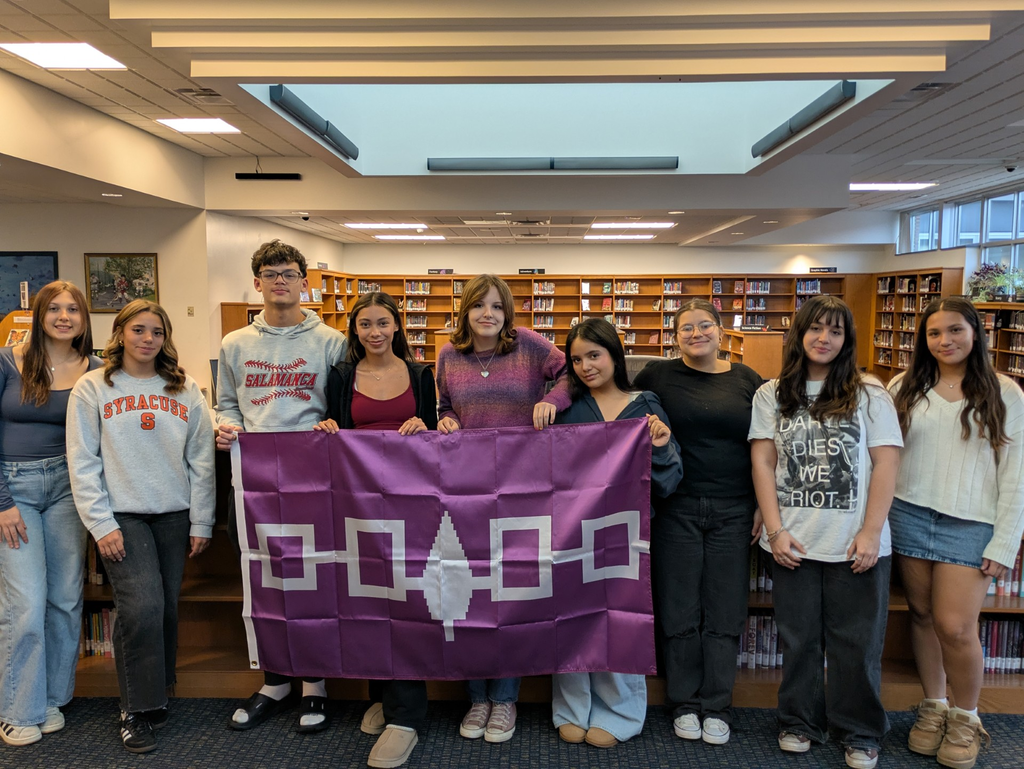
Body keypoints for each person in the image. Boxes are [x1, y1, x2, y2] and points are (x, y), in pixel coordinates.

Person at [749, 295, 902, 769]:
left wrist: (872, 532)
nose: (824, 339)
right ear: (798, 335)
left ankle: (859, 731)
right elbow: (762, 460)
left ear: (846, 339)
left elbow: (886, 463)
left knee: (856, 644)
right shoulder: (771, 394)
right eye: (815, 329)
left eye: (835, 331)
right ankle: (799, 721)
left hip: (855, 541)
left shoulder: (870, 393)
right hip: (793, 540)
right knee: (799, 642)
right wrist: (774, 532)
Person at [67, 300, 214, 754]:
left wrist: (202, 519)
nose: (147, 339)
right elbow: (83, 460)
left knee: (167, 606)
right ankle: (134, 710)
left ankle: (157, 690)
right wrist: (100, 523)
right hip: (121, 515)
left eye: (156, 332)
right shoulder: (92, 388)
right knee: (141, 607)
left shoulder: (186, 389)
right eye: (138, 330)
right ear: (120, 334)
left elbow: (202, 460)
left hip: (173, 513)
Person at [216, 240, 347, 734]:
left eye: (289, 273)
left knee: (312, 573)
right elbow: (227, 403)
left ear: (304, 281)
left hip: (312, 476)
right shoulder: (234, 344)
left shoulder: (331, 341)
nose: (279, 281)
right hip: (252, 478)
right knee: (262, 577)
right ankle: (275, 679)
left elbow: (339, 407)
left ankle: (314, 683)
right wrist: (225, 425)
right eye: (270, 273)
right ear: (256, 283)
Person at [435, 273, 572, 744]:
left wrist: (552, 399)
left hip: (522, 488)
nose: (487, 314)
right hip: (467, 487)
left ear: (507, 311)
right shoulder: (449, 354)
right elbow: (444, 404)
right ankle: (477, 697)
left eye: (495, 306)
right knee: (470, 589)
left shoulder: (530, 346)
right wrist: (447, 417)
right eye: (478, 306)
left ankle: (506, 697)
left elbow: (571, 373)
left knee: (511, 591)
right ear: (465, 312)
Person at [889, 297, 1024, 769]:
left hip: (969, 522)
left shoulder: (1005, 392)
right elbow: (887, 457)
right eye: (934, 333)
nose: (944, 341)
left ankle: (967, 718)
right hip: (907, 513)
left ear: (975, 333)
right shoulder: (904, 385)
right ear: (922, 340)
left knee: (956, 625)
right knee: (922, 617)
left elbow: (1016, 472)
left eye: (955, 330)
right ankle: (934, 708)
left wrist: (1005, 540)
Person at [314, 292, 436, 769]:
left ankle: (407, 714)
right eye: (365, 324)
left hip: (412, 501)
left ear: (397, 326)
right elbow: (338, 427)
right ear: (354, 330)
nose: (375, 332)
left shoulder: (421, 374)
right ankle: (384, 696)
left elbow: (432, 432)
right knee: (366, 597)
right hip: (360, 502)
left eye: (383, 323)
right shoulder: (343, 375)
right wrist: (328, 428)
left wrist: (425, 425)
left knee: (406, 597)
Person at [633, 298, 762, 746]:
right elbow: (621, 413)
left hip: (735, 507)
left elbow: (766, 445)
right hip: (676, 507)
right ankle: (684, 703)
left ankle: (717, 706)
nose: (696, 334)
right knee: (679, 606)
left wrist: (765, 505)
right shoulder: (656, 376)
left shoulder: (748, 380)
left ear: (722, 331)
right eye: (686, 328)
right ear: (675, 336)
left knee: (725, 609)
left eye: (704, 325)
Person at [551, 318, 682, 747]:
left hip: (627, 533)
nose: (586, 365)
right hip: (571, 532)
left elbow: (668, 480)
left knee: (620, 621)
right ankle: (570, 707)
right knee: (571, 621)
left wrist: (660, 446)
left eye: (595, 355)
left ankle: (621, 711)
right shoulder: (566, 409)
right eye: (577, 359)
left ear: (614, 354)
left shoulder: (644, 405)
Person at [0, 281, 101, 747]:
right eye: (55, 309)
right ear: (39, 314)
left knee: (64, 598)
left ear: (84, 318)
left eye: (73, 310)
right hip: (14, 489)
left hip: (69, 488)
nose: (64, 317)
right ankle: (19, 709)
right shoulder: (7, 361)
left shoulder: (96, 370)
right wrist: (2, 502)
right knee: (24, 605)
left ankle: (53, 700)